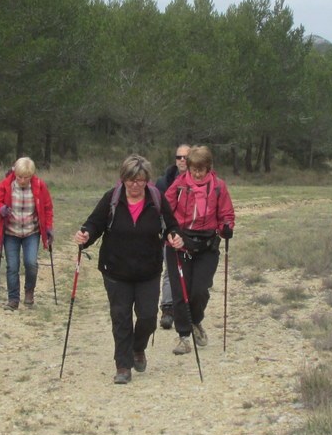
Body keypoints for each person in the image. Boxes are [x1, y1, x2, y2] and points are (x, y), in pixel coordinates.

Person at [74, 155, 183, 384]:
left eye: (141, 181)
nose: (135, 185)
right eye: (131, 181)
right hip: (116, 271)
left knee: (148, 317)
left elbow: (171, 225)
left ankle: (138, 348)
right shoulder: (111, 199)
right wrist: (85, 235)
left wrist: (174, 236)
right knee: (121, 317)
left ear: (147, 181)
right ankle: (123, 366)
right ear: (123, 179)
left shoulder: (156, 199)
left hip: (148, 271)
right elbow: (94, 224)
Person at [165, 145, 235, 357]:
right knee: (180, 291)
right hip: (180, 241)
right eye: (193, 169)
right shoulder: (179, 185)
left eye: (200, 169)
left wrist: (227, 227)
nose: (196, 173)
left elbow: (227, 213)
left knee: (199, 290)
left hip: (207, 245)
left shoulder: (218, 187)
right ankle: (184, 336)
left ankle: (196, 321)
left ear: (209, 168)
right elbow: (165, 209)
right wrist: (169, 231)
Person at [0, 157, 54, 310]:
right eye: (19, 177)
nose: (22, 180)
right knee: (12, 266)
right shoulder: (6, 184)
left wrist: (49, 227)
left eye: (26, 177)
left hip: (32, 231)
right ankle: (13, 299)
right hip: (11, 232)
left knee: (31, 263)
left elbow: (47, 208)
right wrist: (1, 209)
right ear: (15, 173)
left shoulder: (39, 185)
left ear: (32, 176)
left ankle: (29, 292)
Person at [155, 143, 191, 329]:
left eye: (186, 157)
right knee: (170, 270)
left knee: (189, 271)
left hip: (192, 232)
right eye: (179, 157)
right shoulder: (164, 182)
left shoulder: (201, 181)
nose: (182, 160)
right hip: (168, 231)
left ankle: (187, 308)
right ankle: (168, 309)